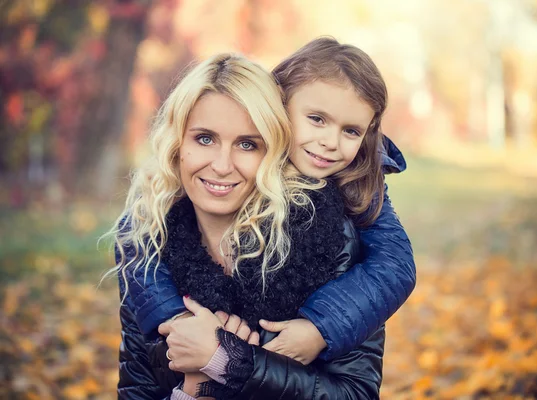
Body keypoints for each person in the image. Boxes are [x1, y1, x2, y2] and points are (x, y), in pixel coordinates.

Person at [113, 50, 392, 399]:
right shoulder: (149, 252)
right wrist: (194, 389)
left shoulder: (331, 239)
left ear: (275, 151)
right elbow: (138, 389)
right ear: (176, 145)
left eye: (247, 144)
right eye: (204, 138)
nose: (222, 165)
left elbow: (356, 393)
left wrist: (227, 362)